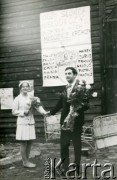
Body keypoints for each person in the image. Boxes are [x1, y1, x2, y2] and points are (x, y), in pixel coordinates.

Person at [49, 67, 89, 176]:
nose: (67, 75)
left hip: (76, 120)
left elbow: (87, 105)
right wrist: (50, 112)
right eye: (65, 73)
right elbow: (59, 104)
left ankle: (76, 168)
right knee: (64, 145)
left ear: (75, 75)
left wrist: (75, 109)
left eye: (69, 73)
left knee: (77, 144)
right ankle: (65, 167)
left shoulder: (81, 88)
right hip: (65, 122)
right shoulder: (65, 88)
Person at [12, 81, 47, 168]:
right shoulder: (17, 99)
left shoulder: (32, 98)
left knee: (29, 141)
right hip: (22, 122)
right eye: (23, 87)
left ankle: (27, 160)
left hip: (30, 122)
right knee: (24, 142)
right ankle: (25, 161)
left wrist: (44, 113)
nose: (25, 88)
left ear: (29, 88)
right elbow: (14, 111)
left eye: (27, 87)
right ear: (20, 88)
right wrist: (23, 112)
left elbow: (38, 107)